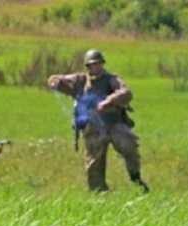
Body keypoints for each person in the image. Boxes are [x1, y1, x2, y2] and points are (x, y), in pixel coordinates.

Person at [47, 49, 149, 194]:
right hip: (93, 127)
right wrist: (55, 81)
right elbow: (60, 80)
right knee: (94, 163)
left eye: (98, 64)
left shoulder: (111, 79)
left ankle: (135, 177)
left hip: (114, 123)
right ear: (87, 66)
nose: (96, 67)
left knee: (129, 145)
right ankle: (99, 193)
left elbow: (126, 93)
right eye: (92, 65)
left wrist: (109, 101)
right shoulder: (80, 80)